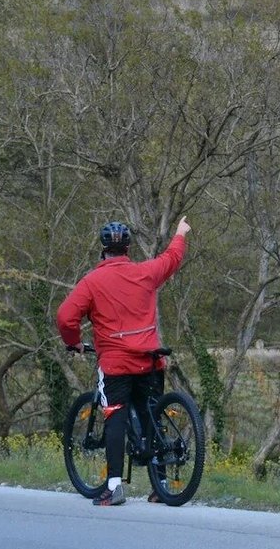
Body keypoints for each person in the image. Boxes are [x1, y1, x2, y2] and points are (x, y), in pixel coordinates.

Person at [57, 217, 190, 508]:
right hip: (150, 360)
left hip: (116, 363)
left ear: (102, 250)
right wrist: (180, 233)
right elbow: (171, 258)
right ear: (128, 248)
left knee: (115, 413)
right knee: (151, 416)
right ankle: (161, 486)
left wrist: (75, 342)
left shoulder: (92, 282)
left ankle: (114, 487)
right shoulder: (145, 272)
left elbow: (66, 317)